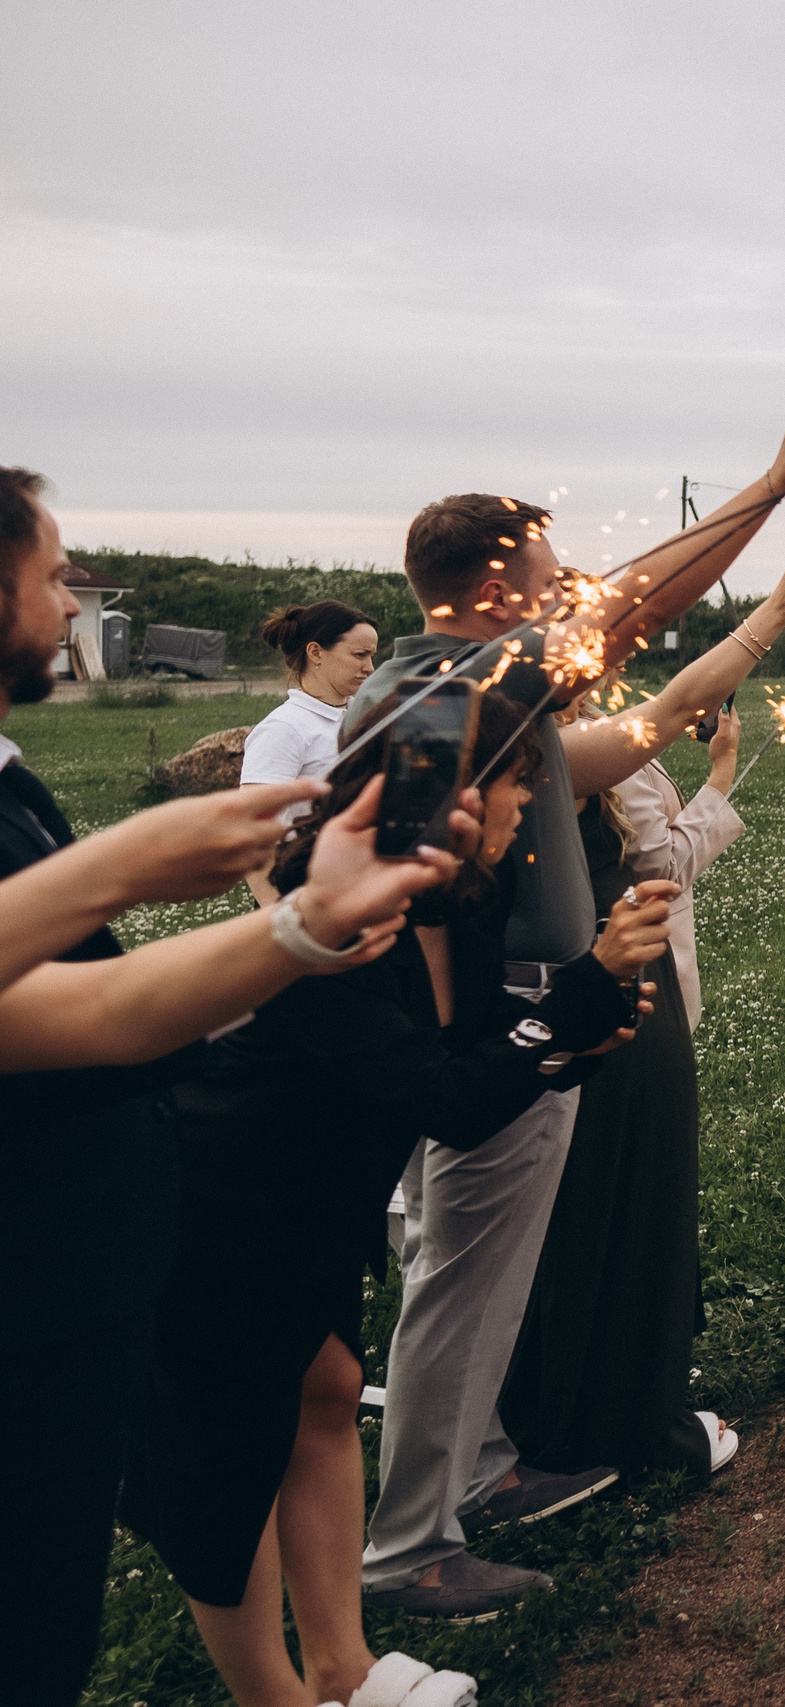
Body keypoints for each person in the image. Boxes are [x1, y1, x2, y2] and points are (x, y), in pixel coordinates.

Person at [354, 417, 785, 1621]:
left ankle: (480, 1470)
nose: (564, 596)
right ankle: (412, 1542)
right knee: (456, 1283)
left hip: (528, 1019)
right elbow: (626, 621)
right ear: (489, 590)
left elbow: (651, 702)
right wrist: (772, 485)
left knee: (479, 1274)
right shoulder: (442, 690)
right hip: (486, 1037)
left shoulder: (464, 697)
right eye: (541, 576)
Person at [0, 468, 453, 1707]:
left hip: (85, 1273)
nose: (63, 601)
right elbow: (76, 1020)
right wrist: (125, 871)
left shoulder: (10, 776)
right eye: (49, 576)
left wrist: (308, 926)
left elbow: (68, 1015)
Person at [122, 697, 673, 1704]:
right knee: (224, 1461)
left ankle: (345, 1664)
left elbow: (474, 1035)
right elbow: (447, 1102)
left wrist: (580, 1015)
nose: (531, 802)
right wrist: (581, 995)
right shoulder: (347, 916)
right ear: (460, 795)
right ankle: (276, 1695)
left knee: (328, 1391)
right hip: (226, 1209)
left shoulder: (453, 895)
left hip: (315, 1201)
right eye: (520, 780)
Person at [503, 559, 785, 1487]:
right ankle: (627, 1419)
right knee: (622, 1204)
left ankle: (578, 1402)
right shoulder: (539, 746)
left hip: (591, 989)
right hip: (610, 993)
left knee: (587, 1212)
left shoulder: (512, 733)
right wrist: (775, 605)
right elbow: (684, 700)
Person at [242, 599, 378, 903]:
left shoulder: (362, 716)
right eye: (360, 655)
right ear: (315, 652)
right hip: (300, 887)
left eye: (372, 655)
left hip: (356, 881)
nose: (370, 667)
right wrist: (275, 916)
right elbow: (252, 828)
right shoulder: (285, 728)